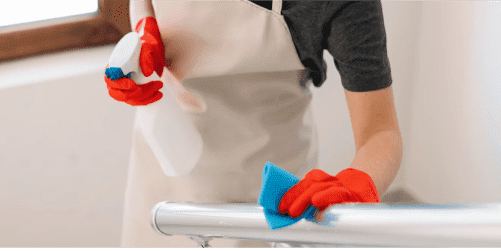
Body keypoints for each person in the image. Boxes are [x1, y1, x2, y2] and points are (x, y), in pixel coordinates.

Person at [104, 0, 403, 248]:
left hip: (264, 187)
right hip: (165, 159)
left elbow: (380, 132)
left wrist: (359, 182)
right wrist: (144, 26)